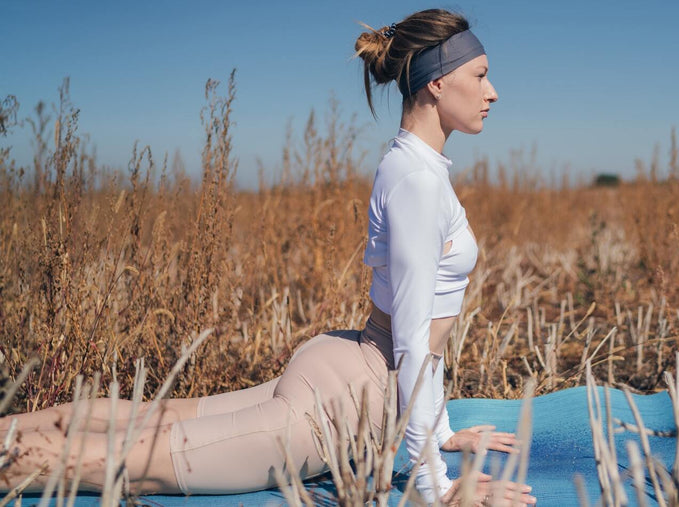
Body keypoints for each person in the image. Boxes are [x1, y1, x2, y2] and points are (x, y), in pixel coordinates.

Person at [0, 8, 536, 506]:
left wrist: (442, 433)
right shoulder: (418, 181)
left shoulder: (416, 167)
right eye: (481, 75)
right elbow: (415, 338)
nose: (493, 92)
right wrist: (434, 486)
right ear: (437, 83)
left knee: (150, 420)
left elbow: (426, 325)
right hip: (351, 397)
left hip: (349, 360)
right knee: (133, 461)